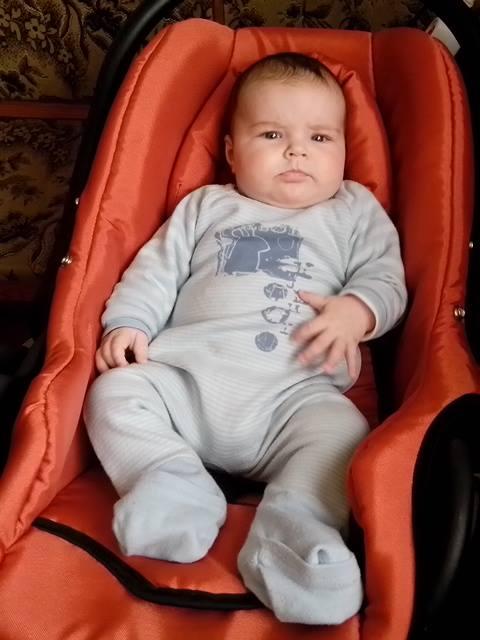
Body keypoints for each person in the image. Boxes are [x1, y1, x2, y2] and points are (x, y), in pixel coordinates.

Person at [84, 52, 407, 625]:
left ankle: (294, 529)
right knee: (112, 392)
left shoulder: (354, 211)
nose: (296, 151)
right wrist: (129, 322)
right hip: (187, 383)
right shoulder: (206, 206)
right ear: (232, 153)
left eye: (319, 137)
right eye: (272, 134)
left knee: (345, 434)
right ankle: (170, 479)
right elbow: (155, 271)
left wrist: (357, 312)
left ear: (343, 151)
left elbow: (386, 279)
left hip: (294, 399)